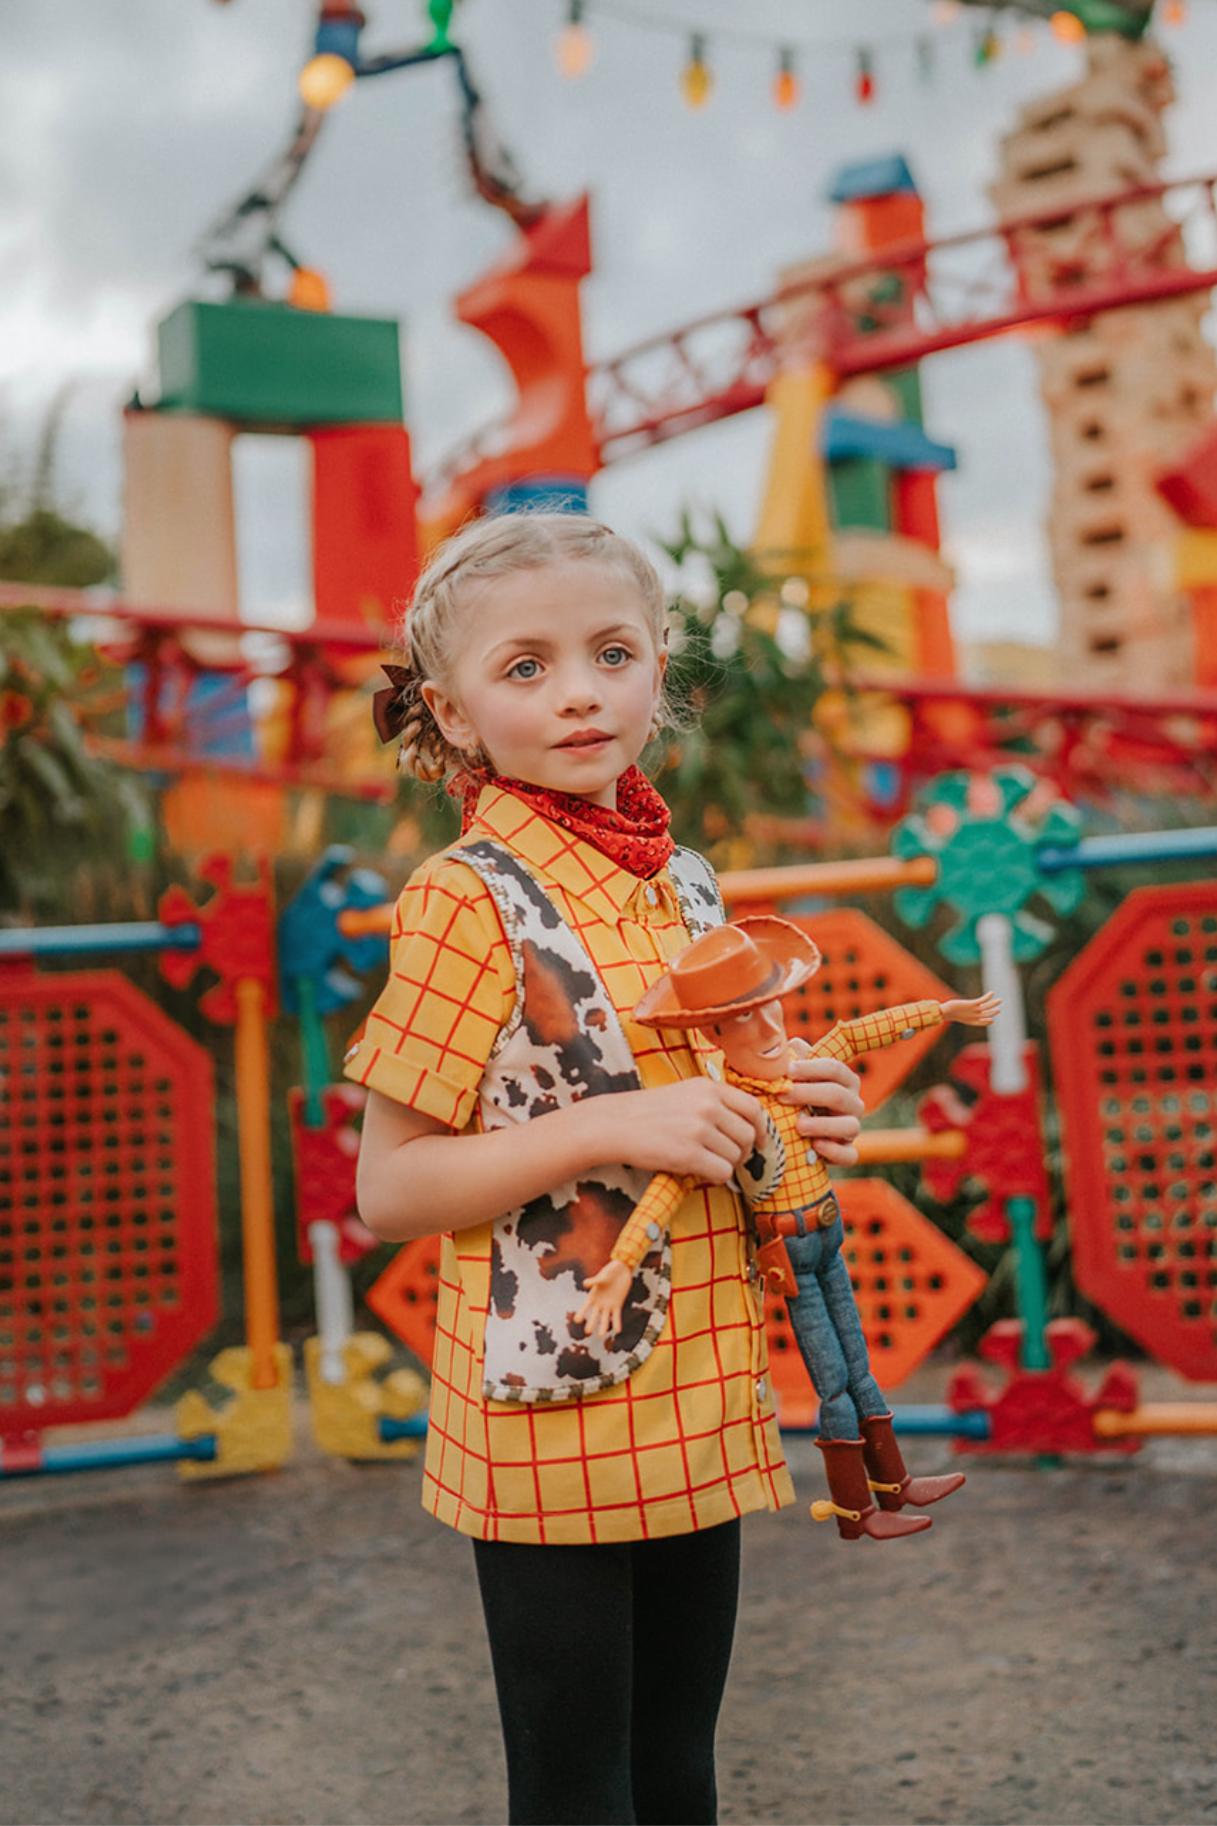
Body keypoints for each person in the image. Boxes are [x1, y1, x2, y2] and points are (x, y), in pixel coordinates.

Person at [346, 512, 865, 1826]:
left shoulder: (683, 883)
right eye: (525, 667)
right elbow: (390, 1188)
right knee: (578, 1787)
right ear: (455, 716)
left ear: (656, 672)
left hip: (697, 1394)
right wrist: (609, 1126)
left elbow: (723, 1092)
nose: (578, 689)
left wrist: (802, 1101)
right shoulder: (465, 899)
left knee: (678, 1765)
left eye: (611, 652)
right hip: (550, 1415)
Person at [578, 917, 999, 1544]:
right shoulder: (728, 1109)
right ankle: (855, 1509)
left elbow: (860, 1032)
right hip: (787, 1251)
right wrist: (623, 1262)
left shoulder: (801, 1068)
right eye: (746, 1020)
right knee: (831, 1380)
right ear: (714, 1034)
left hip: (825, 1236)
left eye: (771, 1009)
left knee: (859, 1364)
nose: (772, 1029)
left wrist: (944, 1010)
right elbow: (672, 1185)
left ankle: (895, 1480)